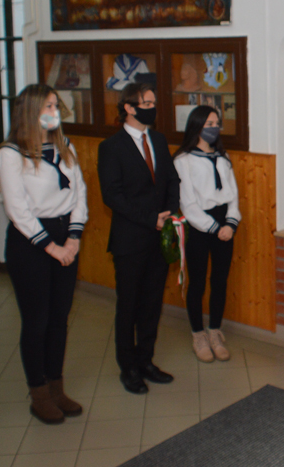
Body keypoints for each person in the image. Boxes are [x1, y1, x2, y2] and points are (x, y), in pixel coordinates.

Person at [0, 84, 87, 424]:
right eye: (48, 106)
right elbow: (18, 210)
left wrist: (73, 238)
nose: (54, 112)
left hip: (66, 237)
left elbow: (79, 194)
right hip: (31, 244)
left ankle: (56, 387)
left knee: (59, 320)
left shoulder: (65, 147)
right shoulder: (11, 154)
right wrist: (52, 247)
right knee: (37, 322)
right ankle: (39, 394)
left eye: (55, 106)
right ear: (30, 111)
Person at [97, 82, 180, 394]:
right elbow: (112, 196)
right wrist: (149, 219)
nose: (152, 107)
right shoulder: (111, 147)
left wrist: (170, 211)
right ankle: (128, 367)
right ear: (129, 108)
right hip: (131, 240)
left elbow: (171, 178)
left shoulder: (157, 139)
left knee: (152, 303)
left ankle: (146, 360)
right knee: (129, 306)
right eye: (146, 103)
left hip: (160, 238)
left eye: (153, 102)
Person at [173, 105, 241, 362]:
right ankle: (198, 334)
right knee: (198, 282)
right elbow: (188, 204)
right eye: (209, 124)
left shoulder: (223, 157)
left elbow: (233, 195)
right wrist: (214, 228)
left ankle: (214, 331)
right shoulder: (183, 160)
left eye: (216, 123)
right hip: (200, 225)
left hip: (225, 224)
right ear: (197, 126)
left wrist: (231, 223)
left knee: (220, 280)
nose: (214, 128)